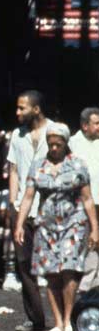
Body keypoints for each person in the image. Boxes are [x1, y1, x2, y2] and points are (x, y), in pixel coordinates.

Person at [14, 123, 99, 331]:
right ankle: (58, 322)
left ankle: (70, 319)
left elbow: (88, 199)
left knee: (69, 270)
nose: (53, 149)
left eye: (57, 145)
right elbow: (28, 197)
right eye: (50, 145)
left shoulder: (77, 165)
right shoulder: (38, 166)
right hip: (47, 224)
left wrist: (94, 228)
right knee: (51, 273)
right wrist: (19, 224)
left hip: (74, 222)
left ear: (65, 144)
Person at [6, 91, 52, 331]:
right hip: (22, 208)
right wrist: (12, 201)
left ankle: (62, 320)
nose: (17, 112)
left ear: (36, 109)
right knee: (24, 265)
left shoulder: (55, 131)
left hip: (49, 209)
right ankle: (36, 319)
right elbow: (13, 169)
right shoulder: (17, 135)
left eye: (22, 108)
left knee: (55, 266)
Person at [68, 107, 99, 293]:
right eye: (96, 123)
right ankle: (86, 284)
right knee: (88, 243)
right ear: (84, 125)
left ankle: (97, 283)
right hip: (83, 202)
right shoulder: (73, 143)